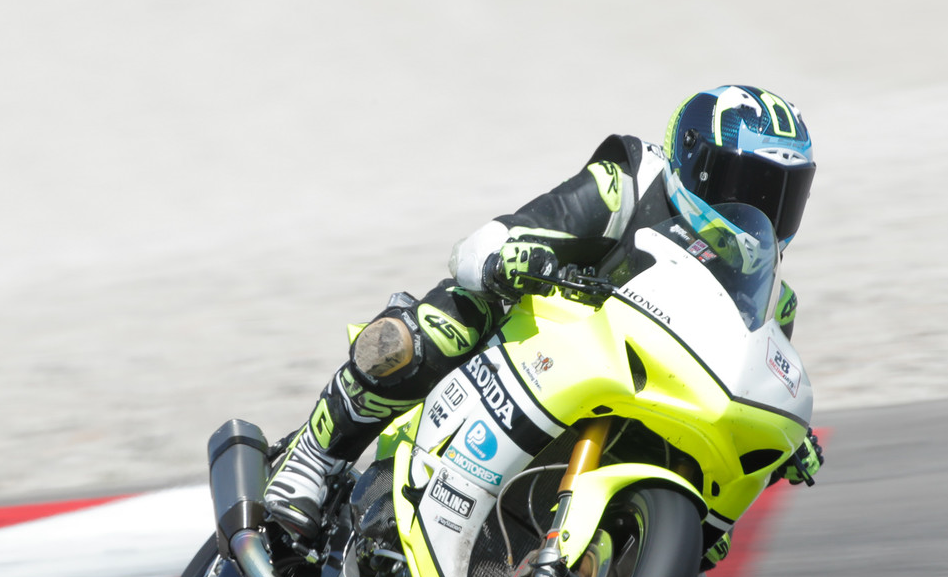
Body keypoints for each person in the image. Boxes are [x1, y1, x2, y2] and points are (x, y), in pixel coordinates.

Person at [263, 84, 826, 549]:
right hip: (542, 343)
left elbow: (744, 377)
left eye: (784, 195)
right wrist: (510, 254)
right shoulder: (630, 183)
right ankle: (311, 456)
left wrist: (782, 438)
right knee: (434, 328)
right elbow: (493, 241)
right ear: (694, 162)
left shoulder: (775, 300)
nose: (762, 210)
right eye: (748, 186)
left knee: (714, 538)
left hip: (647, 400)